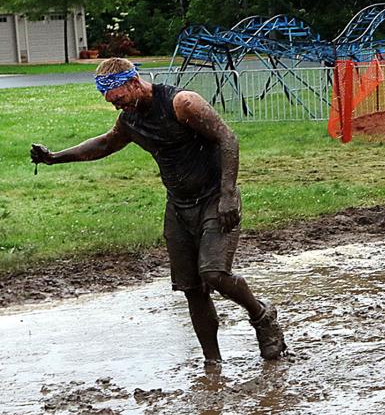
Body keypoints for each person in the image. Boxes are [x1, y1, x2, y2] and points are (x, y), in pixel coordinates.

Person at [29, 58, 286, 365]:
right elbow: (104, 145)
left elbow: (227, 139)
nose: (117, 107)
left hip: (214, 199)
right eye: (111, 103)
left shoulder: (182, 103)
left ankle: (262, 316)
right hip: (178, 206)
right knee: (192, 288)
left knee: (214, 273)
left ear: (134, 83)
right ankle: (212, 364)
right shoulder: (130, 120)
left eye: (119, 99)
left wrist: (229, 193)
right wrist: (54, 158)